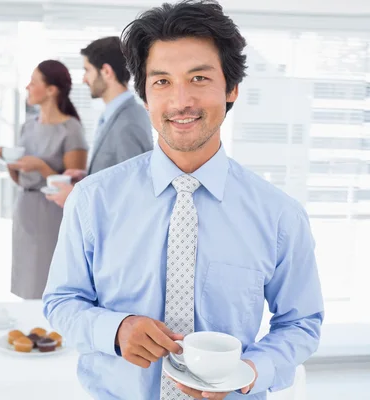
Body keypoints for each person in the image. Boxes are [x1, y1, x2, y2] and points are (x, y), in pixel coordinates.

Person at [42, 2, 324, 400]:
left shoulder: (280, 215)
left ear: (232, 88)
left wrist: (253, 370)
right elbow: (61, 300)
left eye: (198, 78)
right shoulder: (92, 200)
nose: (181, 101)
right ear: (144, 94)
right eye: (162, 82)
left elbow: (301, 322)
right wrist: (115, 331)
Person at [0, 60, 88, 299]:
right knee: (26, 282)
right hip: (25, 210)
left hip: (53, 212)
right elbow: (21, 180)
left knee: (48, 283)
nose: (27, 86)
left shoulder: (71, 129)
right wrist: (10, 163)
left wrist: (40, 166)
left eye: (34, 82)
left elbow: (75, 185)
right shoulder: (27, 127)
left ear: (51, 90)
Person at [46, 36, 153, 208]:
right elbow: (118, 173)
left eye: (87, 70)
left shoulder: (128, 122)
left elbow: (132, 190)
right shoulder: (115, 114)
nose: (84, 79)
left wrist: (75, 199)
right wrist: (88, 176)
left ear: (106, 72)